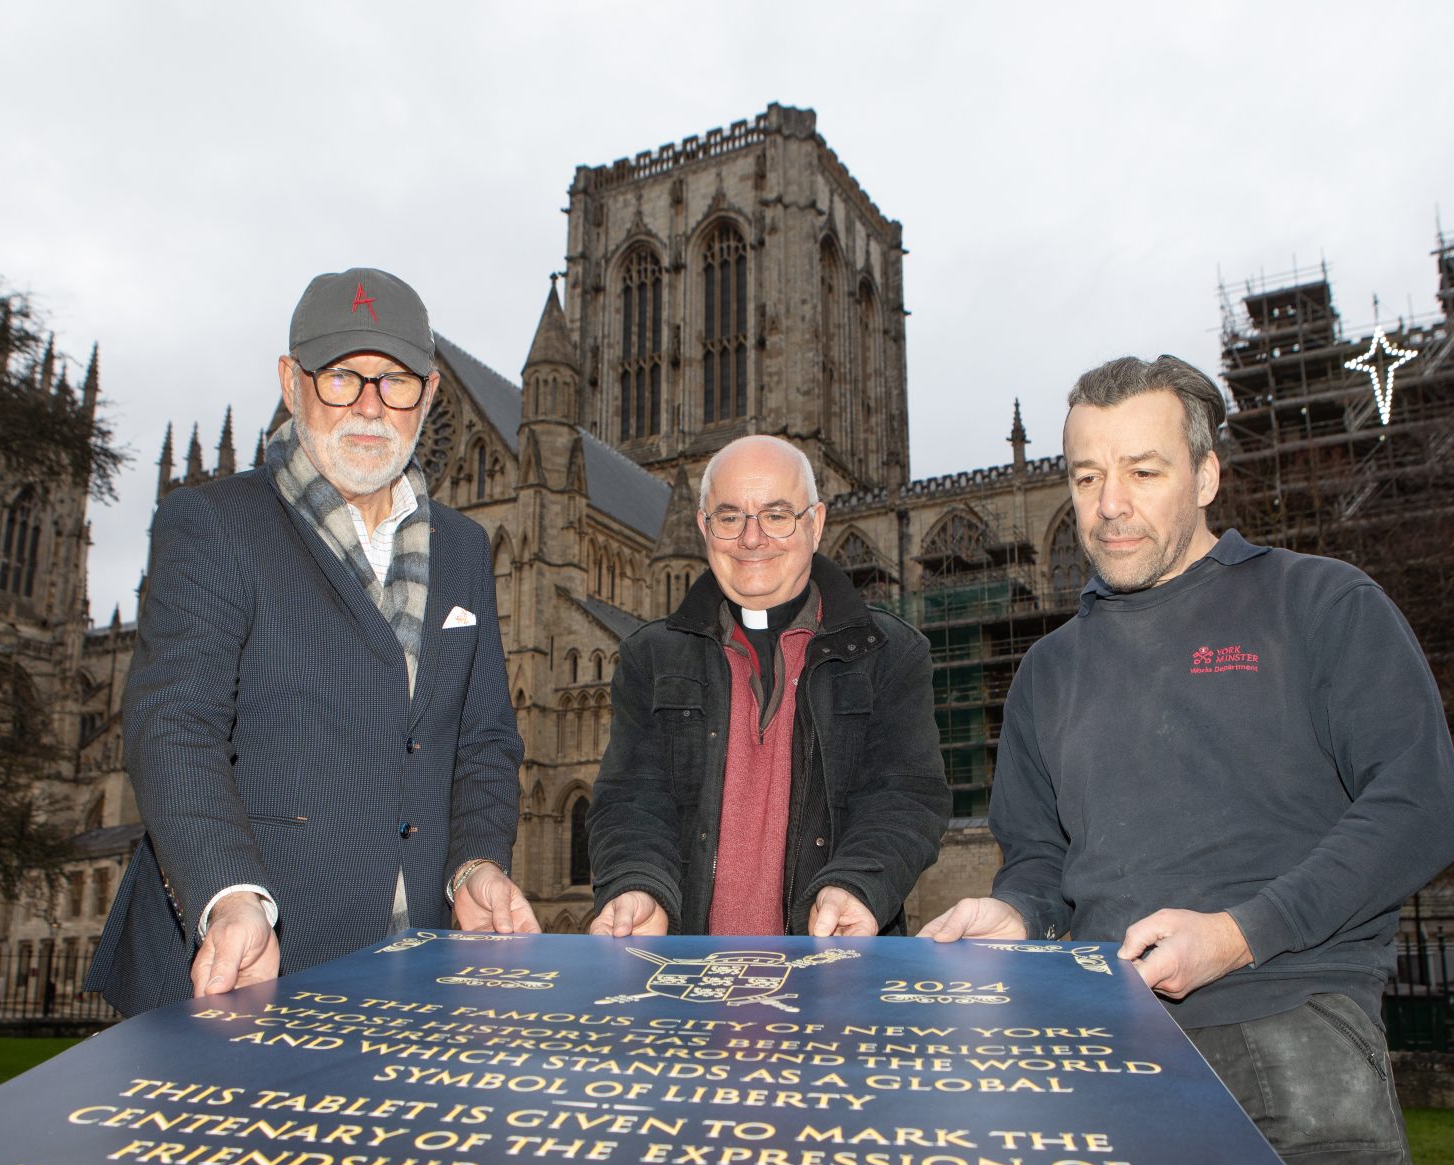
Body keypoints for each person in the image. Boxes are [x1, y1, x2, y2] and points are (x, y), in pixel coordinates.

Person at [926, 355, 1454, 1165]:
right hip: (1108, 1055)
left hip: (1292, 1031)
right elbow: (1038, 861)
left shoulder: (1317, 605)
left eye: (1142, 470)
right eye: (1085, 477)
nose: (1108, 505)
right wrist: (1014, 913)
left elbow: (1420, 806)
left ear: (1206, 475)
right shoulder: (1046, 674)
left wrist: (1237, 934)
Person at [88, 268, 534, 1017]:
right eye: (341, 378)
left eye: (394, 382)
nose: (369, 405)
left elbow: (484, 739)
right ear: (292, 383)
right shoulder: (213, 523)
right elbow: (175, 723)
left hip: (416, 970)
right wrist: (229, 894)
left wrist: (475, 863)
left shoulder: (462, 546)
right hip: (250, 962)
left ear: (427, 397)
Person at [587, 436, 950, 938]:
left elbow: (904, 798)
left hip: (828, 973)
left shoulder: (889, 653)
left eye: (777, 515)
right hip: (684, 977)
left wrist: (857, 886)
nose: (752, 539)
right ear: (703, 528)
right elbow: (630, 799)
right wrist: (638, 885)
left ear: (816, 524)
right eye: (730, 517)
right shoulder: (649, 655)